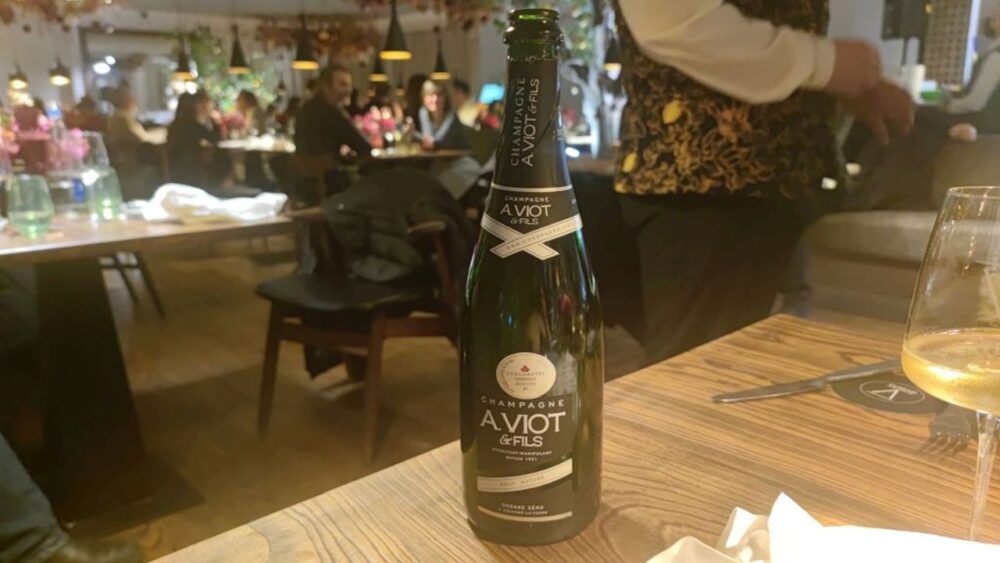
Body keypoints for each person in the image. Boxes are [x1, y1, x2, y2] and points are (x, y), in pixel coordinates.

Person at [612, 0, 915, 363]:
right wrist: (824, 62)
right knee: (697, 368)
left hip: (754, 184)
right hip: (707, 185)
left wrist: (831, 83)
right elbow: (673, 19)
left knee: (728, 362)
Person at [294, 64, 373, 200]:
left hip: (303, 185)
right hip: (331, 188)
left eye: (349, 85)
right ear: (326, 87)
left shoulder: (304, 108)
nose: (348, 90)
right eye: (342, 85)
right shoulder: (332, 112)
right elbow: (364, 146)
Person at [167, 91, 231, 189]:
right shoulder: (190, 126)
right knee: (221, 157)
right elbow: (214, 139)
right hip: (191, 170)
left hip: (181, 169)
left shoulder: (176, 125)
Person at [415, 79, 469, 151]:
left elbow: (436, 141)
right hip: (439, 156)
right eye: (431, 95)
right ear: (423, 99)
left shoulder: (452, 117)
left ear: (445, 98)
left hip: (460, 156)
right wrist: (411, 133)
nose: (435, 99)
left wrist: (414, 134)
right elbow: (428, 139)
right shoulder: (423, 113)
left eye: (439, 95)